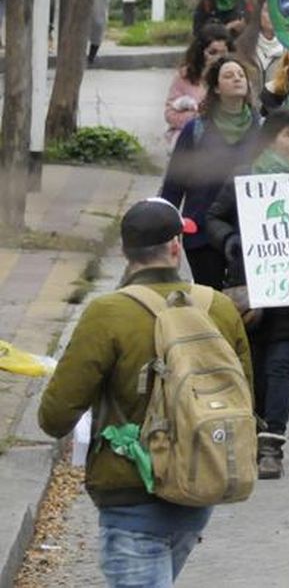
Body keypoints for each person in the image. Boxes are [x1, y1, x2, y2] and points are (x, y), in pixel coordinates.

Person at [38, 198, 252, 587]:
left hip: (131, 491)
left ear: (124, 251)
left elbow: (54, 417)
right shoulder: (217, 308)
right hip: (198, 485)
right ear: (175, 246)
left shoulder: (108, 314)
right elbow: (245, 398)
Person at [205, 109, 289, 479]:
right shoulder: (245, 178)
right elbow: (215, 217)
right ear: (271, 139)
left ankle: (272, 445)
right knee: (252, 366)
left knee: (281, 365)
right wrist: (231, 242)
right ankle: (252, 434)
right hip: (252, 291)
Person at [159, 57, 260, 288]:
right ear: (215, 87)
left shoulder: (263, 129)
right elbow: (174, 184)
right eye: (228, 75)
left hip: (248, 235)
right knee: (210, 302)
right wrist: (165, 230)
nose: (236, 78)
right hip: (202, 233)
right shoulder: (196, 130)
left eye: (240, 75)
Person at [163, 23, 231, 146]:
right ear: (201, 52)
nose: (218, 58)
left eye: (223, 53)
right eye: (213, 52)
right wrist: (198, 119)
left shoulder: (235, 76)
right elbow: (170, 115)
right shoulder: (185, 77)